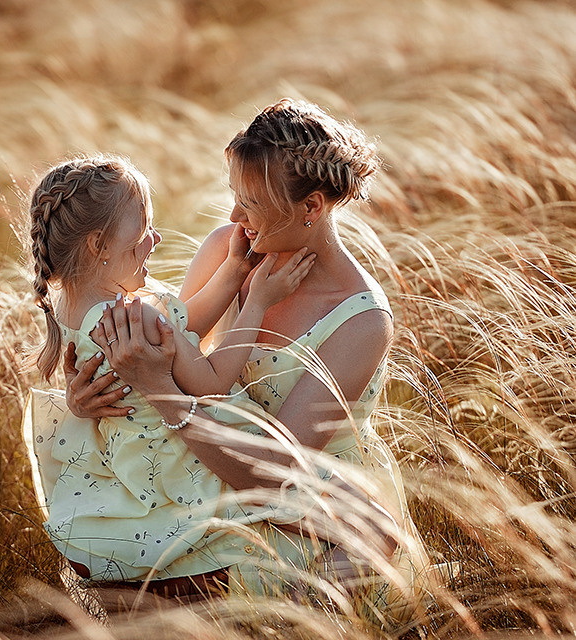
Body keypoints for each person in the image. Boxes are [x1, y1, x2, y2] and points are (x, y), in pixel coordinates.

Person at [64, 99, 435, 610]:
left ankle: (215, 607)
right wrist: (89, 395)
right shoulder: (231, 248)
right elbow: (174, 348)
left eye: (253, 203)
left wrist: (160, 393)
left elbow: (275, 480)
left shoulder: (362, 321)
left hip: (296, 488)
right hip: (206, 449)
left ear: (312, 207)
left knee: (368, 543)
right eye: (234, 197)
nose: (236, 217)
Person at [23, 154, 317, 598]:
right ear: (99, 245)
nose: (155, 240)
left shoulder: (74, 309)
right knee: (309, 499)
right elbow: (211, 381)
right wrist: (257, 300)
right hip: (179, 454)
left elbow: (185, 326)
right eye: (142, 234)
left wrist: (235, 267)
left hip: (129, 460)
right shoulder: (131, 315)